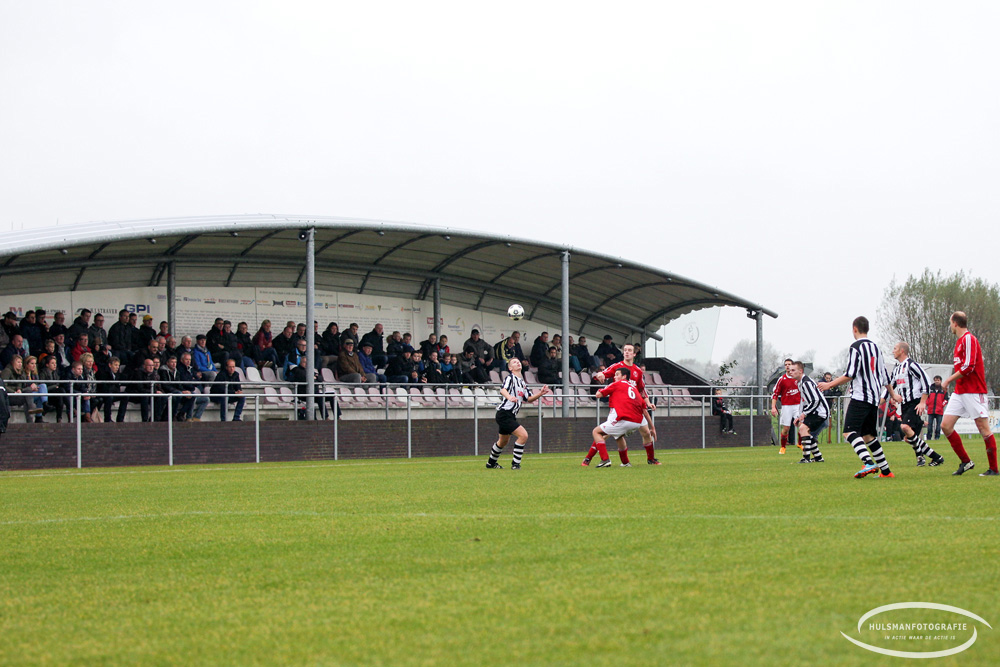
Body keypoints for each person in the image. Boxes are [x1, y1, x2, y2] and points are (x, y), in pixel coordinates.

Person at [817, 316, 894, 478]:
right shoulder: (876, 348)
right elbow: (885, 375)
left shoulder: (856, 347)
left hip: (860, 397)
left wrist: (829, 385)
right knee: (868, 436)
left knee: (849, 432)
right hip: (874, 399)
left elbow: (850, 374)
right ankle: (886, 472)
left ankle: (868, 463)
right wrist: (892, 394)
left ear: (854, 329)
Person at [939, 311, 998, 476]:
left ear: (955, 323)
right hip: (960, 391)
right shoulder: (959, 342)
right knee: (946, 426)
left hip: (974, 391)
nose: (950, 326)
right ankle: (966, 461)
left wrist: (948, 380)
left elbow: (969, 367)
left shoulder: (969, 339)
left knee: (983, 428)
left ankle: (994, 469)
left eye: (950, 322)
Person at [592, 343, 660, 464]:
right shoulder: (617, 367)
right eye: (625, 350)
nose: (627, 352)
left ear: (634, 354)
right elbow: (604, 373)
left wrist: (648, 403)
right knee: (605, 434)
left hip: (634, 407)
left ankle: (650, 459)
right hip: (619, 406)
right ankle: (589, 458)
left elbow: (641, 390)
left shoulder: (638, 371)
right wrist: (600, 375)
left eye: (629, 350)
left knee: (645, 432)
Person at [486, 358, 551, 470]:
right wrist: (509, 397)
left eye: (518, 361)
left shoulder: (522, 383)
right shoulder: (510, 378)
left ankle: (491, 463)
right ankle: (515, 465)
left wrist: (540, 393)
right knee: (523, 435)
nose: (518, 363)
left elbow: (529, 399)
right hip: (504, 413)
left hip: (510, 415)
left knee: (503, 441)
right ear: (510, 368)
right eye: (514, 362)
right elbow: (503, 390)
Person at [583, 367, 656, 467]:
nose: (615, 376)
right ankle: (626, 463)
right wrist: (652, 427)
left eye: (617, 374)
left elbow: (598, 395)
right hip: (638, 421)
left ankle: (605, 460)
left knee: (596, 432)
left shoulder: (616, 384)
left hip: (624, 418)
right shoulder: (634, 388)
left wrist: (601, 387)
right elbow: (644, 409)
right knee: (619, 436)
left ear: (624, 376)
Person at [888, 341, 945, 467]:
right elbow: (890, 385)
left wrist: (922, 402)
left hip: (915, 402)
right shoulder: (897, 368)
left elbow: (926, 380)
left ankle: (933, 457)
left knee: (905, 427)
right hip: (905, 405)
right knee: (908, 438)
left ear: (902, 351)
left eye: (895, 348)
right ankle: (924, 457)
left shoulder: (911, 365)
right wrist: (889, 396)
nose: (893, 351)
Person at [789, 362, 827, 463]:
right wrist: (799, 416)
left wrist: (804, 413)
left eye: (793, 370)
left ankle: (806, 458)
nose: (790, 372)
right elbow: (804, 400)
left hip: (820, 412)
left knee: (803, 428)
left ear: (800, 371)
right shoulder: (800, 383)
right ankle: (818, 458)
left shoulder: (806, 383)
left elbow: (815, 400)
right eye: (789, 370)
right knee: (804, 430)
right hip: (814, 411)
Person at [770, 358, 801, 454]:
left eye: (789, 364)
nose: (787, 366)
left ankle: (800, 444)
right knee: (786, 428)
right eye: (786, 364)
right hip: (787, 406)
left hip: (798, 406)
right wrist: (773, 407)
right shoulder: (782, 379)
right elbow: (775, 394)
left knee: (801, 425)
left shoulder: (798, 378)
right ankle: (783, 447)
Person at [97, 356, 129, 422]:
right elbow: (103, 388)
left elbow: (117, 387)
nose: (117, 367)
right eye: (115, 365)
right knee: (109, 397)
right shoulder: (102, 373)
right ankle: (107, 419)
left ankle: (120, 419)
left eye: (118, 365)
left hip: (113, 392)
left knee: (125, 395)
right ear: (110, 365)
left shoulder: (117, 374)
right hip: (103, 394)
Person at [926, 375, 947, 441]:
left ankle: (937, 437)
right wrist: (928, 404)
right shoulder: (930, 389)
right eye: (935, 380)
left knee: (938, 426)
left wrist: (941, 405)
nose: (937, 381)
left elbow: (946, 399)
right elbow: (926, 397)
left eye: (938, 380)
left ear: (940, 381)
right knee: (929, 425)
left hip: (939, 410)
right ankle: (929, 437)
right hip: (931, 410)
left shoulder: (944, 390)